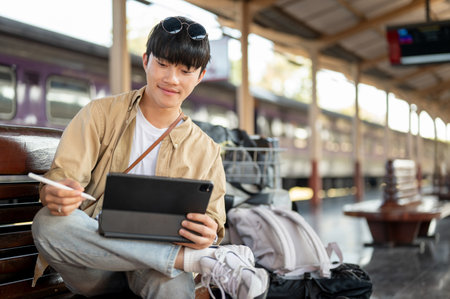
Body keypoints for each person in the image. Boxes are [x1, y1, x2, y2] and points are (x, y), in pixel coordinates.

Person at [31, 16, 268, 299]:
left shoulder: (206, 150)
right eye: (163, 64)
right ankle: (190, 261)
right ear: (146, 60)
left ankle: (180, 260)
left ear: (200, 76)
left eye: (185, 70)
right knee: (47, 223)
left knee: (168, 283)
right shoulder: (100, 114)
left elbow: (212, 223)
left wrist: (207, 233)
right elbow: (58, 182)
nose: (171, 79)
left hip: (155, 272)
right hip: (94, 265)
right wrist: (55, 195)